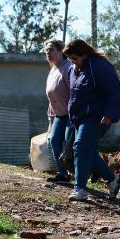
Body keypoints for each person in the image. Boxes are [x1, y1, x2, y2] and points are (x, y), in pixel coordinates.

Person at [63, 39, 120, 201]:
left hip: (98, 117)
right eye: (70, 59)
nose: (73, 62)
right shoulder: (73, 70)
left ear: (84, 54)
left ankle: (80, 189)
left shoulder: (100, 67)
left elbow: (116, 92)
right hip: (79, 118)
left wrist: (110, 114)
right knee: (87, 153)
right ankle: (112, 179)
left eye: (75, 58)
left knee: (81, 148)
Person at [43, 39, 73, 183]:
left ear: (61, 51)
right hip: (59, 115)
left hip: (72, 115)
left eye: (51, 49)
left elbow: (75, 93)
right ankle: (63, 174)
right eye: (46, 50)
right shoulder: (52, 70)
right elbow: (52, 98)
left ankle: (90, 172)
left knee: (70, 145)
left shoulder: (68, 68)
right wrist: (50, 119)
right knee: (54, 141)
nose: (47, 52)